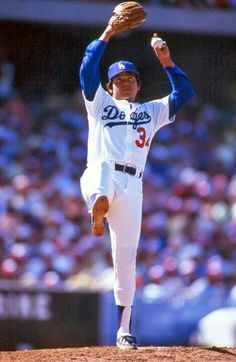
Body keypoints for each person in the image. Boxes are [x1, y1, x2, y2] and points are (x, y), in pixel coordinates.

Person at [79, 23, 195, 350]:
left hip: (133, 186)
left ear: (138, 84)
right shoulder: (99, 103)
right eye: (118, 80)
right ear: (109, 86)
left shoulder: (151, 110)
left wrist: (166, 60)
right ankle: (98, 203)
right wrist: (107, 33)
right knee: (100, 177)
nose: (125, 83)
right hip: (103, 173)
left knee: (126, 259)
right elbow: (87, 68)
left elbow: (184, 94)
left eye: (130, 78)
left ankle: (123, 332)